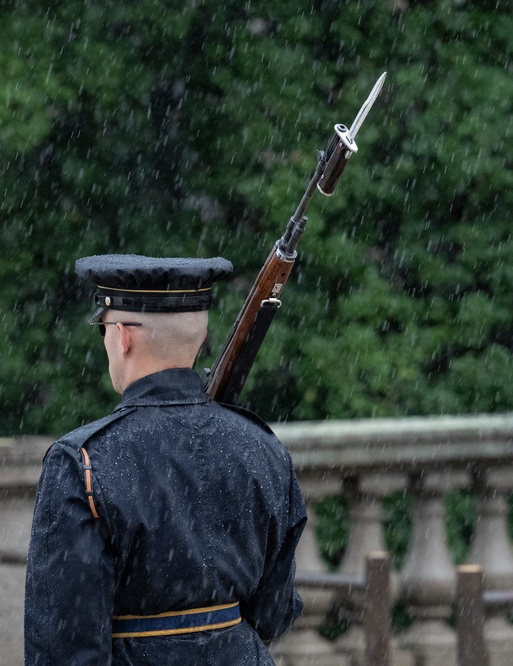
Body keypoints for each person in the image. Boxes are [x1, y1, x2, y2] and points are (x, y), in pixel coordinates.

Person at [24, 253, 307, 665]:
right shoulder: (262, 446)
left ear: (122, 336)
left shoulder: (83, 460)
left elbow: (62, 644)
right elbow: (273, 613)